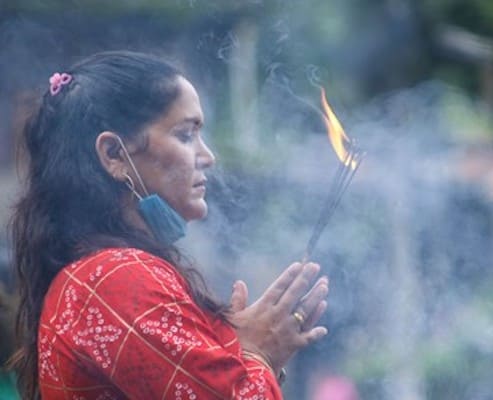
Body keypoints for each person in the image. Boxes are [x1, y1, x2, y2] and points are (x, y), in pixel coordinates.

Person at [9, 51, 329, 400]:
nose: (208, 157)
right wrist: (260, 353)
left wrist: (234, 355)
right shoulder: (117, 277)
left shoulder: (100, 272)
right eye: (185, 135)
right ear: (115, 155)